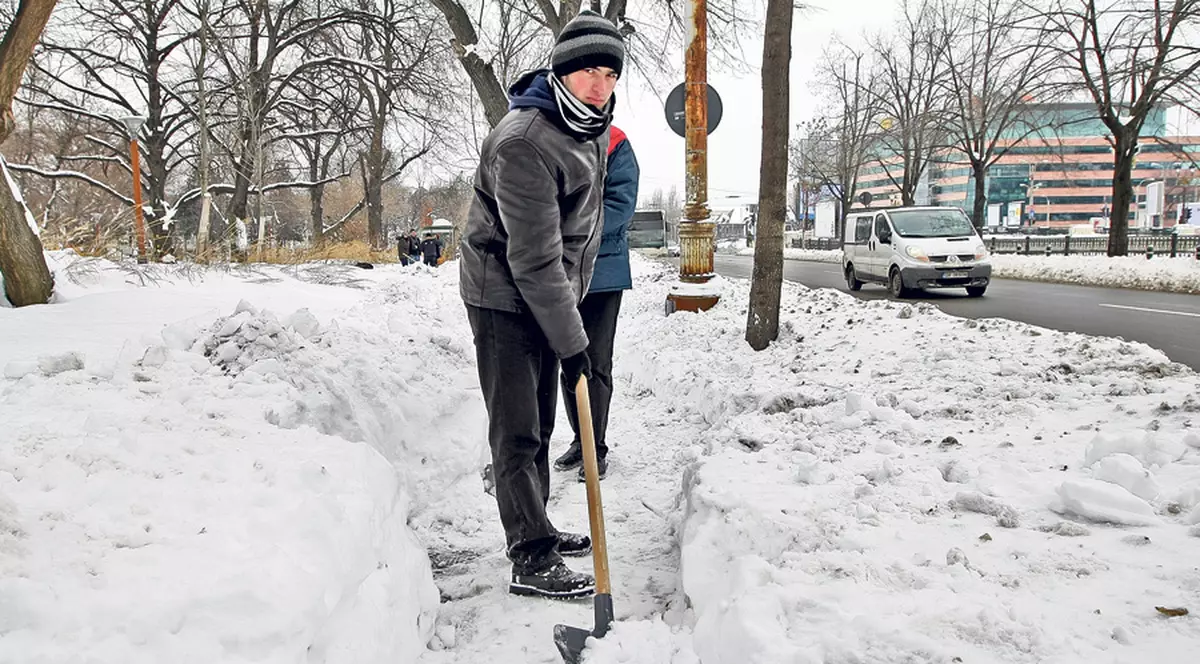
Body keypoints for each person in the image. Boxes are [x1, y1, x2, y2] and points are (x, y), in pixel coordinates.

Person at [459, 9, 623, 600]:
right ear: (561, 72)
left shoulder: (587, 129)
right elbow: (532, 258)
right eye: (588, 73)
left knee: (544, 422)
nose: (600, 85)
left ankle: (541, 527)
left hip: (546, 294)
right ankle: (529, 555)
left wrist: (567, 327)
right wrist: (574, 342)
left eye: (609, 74)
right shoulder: (526, 141)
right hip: (503, 295)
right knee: (518, 430)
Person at [553, 125, 638, 481]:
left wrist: (569, 228)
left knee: (597, 363)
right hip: (560, 272)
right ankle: (580, 439)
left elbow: (620, 205)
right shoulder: (553, 137)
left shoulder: (616, 142)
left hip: (603, 271)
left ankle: (596, 446)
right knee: (568, 361)